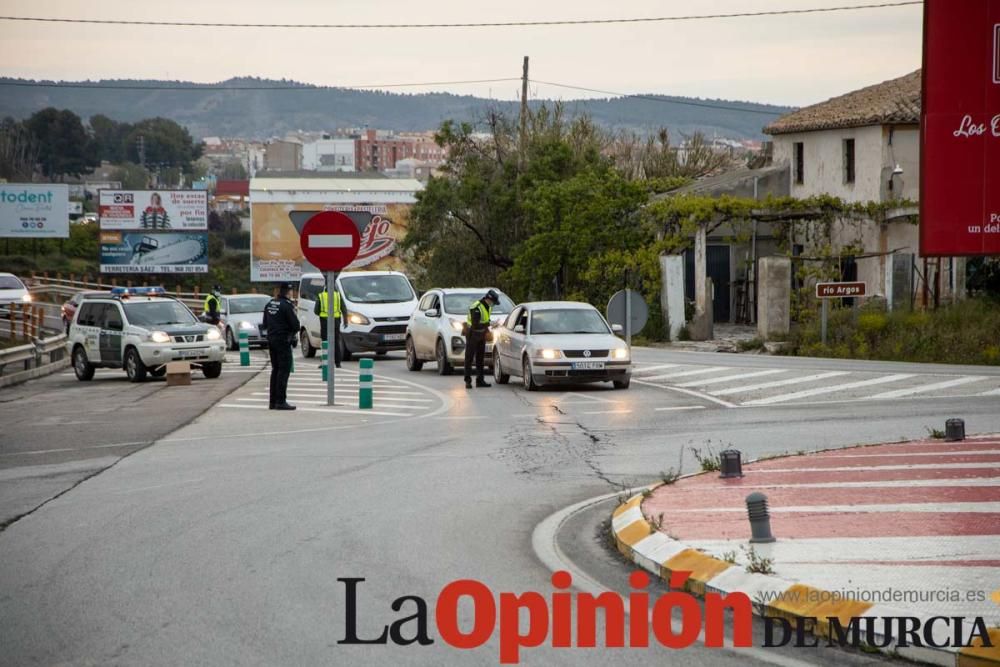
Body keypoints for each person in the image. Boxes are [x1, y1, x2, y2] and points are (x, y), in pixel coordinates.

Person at [262, 283, 300, 410]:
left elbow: (265, 324)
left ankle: (272, 402)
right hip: (283, 340)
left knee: (275, 370)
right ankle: (281, 401)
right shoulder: (287, 306)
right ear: (288, 292)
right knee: (284, 370)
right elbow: (296, 325)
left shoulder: (270, 304)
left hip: (272, 339)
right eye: (291, 291)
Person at [464, 289, 500, 389]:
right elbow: (475, 324)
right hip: (472, 333)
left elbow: (485, 320)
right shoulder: (476, 307)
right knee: (469, 358)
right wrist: (490, 324)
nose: (493, 305)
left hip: (482, 334)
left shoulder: (488, 307)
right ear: (489, 299)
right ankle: (468, 381)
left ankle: (480, 380)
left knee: (480, 358)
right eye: (493, 302)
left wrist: (492, 323)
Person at [314, 287, 342, 368]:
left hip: (325, 321)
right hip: (336, 322)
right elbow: (343, 308)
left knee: (325, 342)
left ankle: (325, 363)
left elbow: (316, 311)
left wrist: (323, 313)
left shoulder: (321, 296)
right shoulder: (338, 295)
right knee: (336, 342)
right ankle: (338, 363)